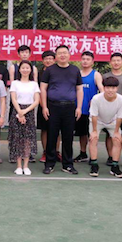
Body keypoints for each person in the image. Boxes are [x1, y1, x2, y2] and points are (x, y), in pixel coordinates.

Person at [40, 45, 83, 175]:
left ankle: (67, 164)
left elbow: (79, 89)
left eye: (65, 53)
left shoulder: (75, 70)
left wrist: (79, 107)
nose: (62, 55)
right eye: (60, 53)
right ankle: (49, 164)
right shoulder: (50, 70)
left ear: (69, 55)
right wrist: (44, 107)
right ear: (56, 56)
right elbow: (43, 89)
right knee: (52, 136)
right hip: (53, 107)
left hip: (70, 107)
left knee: (68, 136)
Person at [88, 76, 122, 178]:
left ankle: (115, 167)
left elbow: (120, 117)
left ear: (117, 88)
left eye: (113, 88)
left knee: (117, 140)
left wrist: (116, 132)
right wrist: (94, 131)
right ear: (104, 88)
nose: (110, 90)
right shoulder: (96, 98)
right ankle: (94, 165)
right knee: (93, 139)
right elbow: (94, 115)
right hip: (97, 121)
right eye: (108, 87)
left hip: (113, 122)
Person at [9, 61, 40, 176]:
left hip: (29, 112)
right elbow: (13, 99)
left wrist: (24, 112)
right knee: (17, 139)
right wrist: (19, 112)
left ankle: (26, 166)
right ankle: (18, 166)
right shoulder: (15, 83)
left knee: (27, 140)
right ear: (19, 70)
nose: (25, 70)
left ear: (31, 70)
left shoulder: (34, 84)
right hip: (17, 111)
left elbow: (36, 101)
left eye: (27, 68)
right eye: (23, 68)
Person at [74, 51, 104, 163]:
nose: (85, 61)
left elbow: (102, 91)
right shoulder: (77, 73)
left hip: (91, 110)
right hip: (77, 108)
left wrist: (96, 100)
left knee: (91, 134)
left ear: (92, 62)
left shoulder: (96, 75)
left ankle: (93, 156)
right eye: (83, 59)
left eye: (88, 59)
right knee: (82, 133)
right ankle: (83, 153)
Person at [37, 50, 60, 163]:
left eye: (50, 58)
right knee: (45, 129)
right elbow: (37, 90)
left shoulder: (59, 71)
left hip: (57, 105)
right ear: (43, 61)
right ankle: (45, 152)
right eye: (46, 59)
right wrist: (43, 106)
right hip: (43, 105)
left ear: (54, 60)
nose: (48, 61)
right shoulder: (39, 73)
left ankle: (56, 152)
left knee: (57, 130)